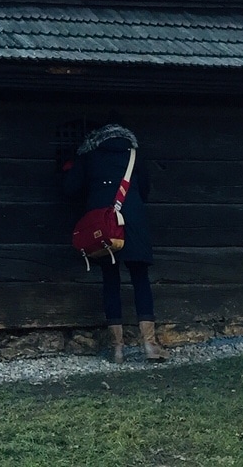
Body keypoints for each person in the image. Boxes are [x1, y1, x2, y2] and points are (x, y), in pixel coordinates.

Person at [63, 122, 167, 363]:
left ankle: (117, 350)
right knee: (140, 280)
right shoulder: (134, 155)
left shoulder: (89, 157)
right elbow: (144, 190)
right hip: (133, 221)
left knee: (111, 281)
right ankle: (150, 346)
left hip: (105, 228)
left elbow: (70, 189)